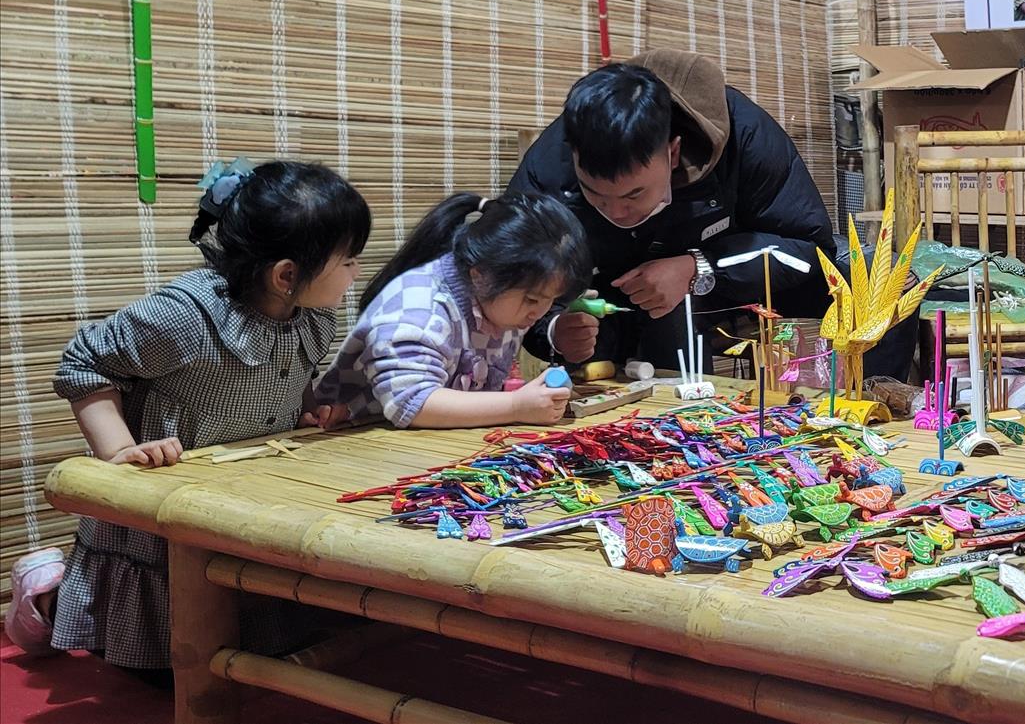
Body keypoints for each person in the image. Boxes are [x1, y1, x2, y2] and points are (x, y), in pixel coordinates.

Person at [10, 159, 370, 681]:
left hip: (241, 491)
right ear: (287, 275)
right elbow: (84, 362)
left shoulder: (312, 317)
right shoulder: (187, 316)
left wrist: (306, 410)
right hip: (164, 493)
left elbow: (295, 371)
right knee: (161, 667)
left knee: (260, 626)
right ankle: (43, 596)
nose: (357, 272)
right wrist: (118, 453)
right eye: (349, 260)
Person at [510, 54, 833, 372]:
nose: (617, 213)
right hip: (605, 307)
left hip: (722, 289)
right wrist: (552, 332)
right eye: (594, 194)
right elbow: (513, 276)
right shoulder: (550, 169)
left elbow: (809, 246)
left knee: (858, 270)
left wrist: (699, 268)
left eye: (634, 194)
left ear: (673, 152)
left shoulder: (744, 135)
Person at [313, 191, 594, 429]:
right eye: (532, 299)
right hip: (346, 441)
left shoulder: (499, 301)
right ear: (480, 276)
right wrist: (516, 406)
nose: (540, 312)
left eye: (550, 299)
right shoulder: (420, 307)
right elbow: (412, 403)